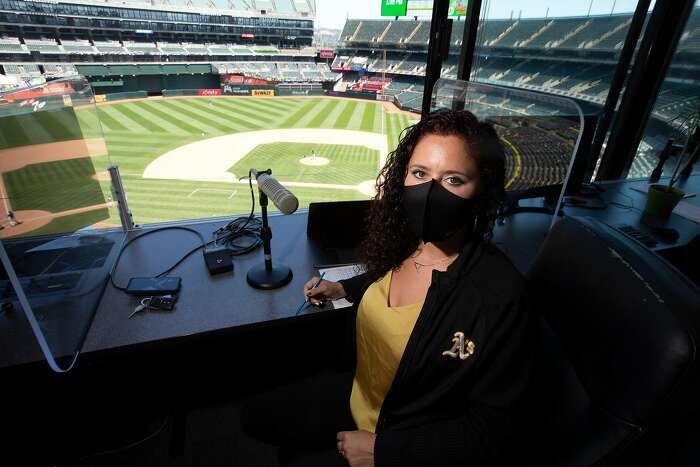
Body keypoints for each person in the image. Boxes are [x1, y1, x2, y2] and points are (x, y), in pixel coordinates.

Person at [240, 109, 535, 467]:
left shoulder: (500, 298)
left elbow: (495, 433)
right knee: (253, 415)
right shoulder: (407, 240)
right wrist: (343, 288)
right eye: (420, 173)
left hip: (399, 436)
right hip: (356, 390)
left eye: (453, 180)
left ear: (481, 193)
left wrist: (384, 451)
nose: (429, 192)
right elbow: (382, 274)